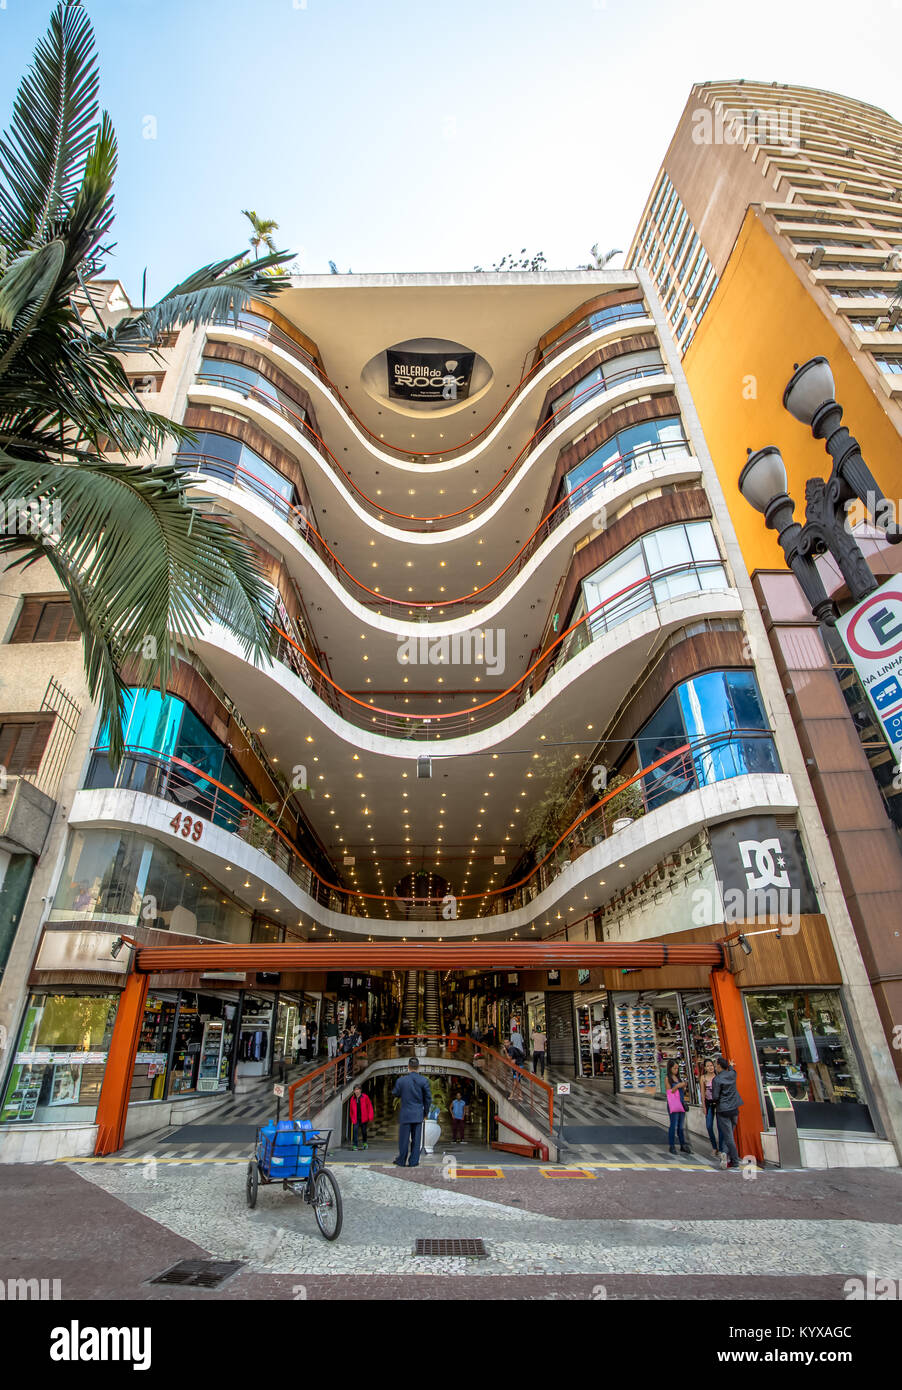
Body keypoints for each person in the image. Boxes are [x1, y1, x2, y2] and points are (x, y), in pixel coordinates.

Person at [393, 1057, 432, 1167]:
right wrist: (426, 1112)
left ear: (408, 1067)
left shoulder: (401, 1080)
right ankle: (413, 1161)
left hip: (405, 1114)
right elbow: (428, 1098)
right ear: (418, 1067)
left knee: (403, 1140)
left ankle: (401, 1160)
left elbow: (395, 1093)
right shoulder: (423, 1081)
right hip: (418, 1114)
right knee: (416, 1140)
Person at [712, 1055, 743, 1170]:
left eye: (716, 1065)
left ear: (719, 1066)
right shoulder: (732, 1075)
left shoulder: (717, 1079)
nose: (715, 1067)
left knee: (728, 1136)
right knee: (729, 1134)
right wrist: (730, 1065)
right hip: (734, 1108)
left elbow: (715, 1096)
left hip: (723, 1109)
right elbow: (732, 1070)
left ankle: (734, 1160)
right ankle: (725, 1153)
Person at [665, 1060, 692, 1155]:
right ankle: (672, 1146)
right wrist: (678, 1086)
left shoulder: (678, 1078)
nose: (676, 1070)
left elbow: (682, 1092)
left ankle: (682, 1144)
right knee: (673, 1124)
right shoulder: (668, 1078)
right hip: (673, 1104)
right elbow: (669, 1092)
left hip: (681, 1103)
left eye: (677, 1068)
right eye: (674, 1068)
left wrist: (683, 1086)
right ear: (670, 1068)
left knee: (681, 1126)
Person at [700, 1058, 720, 1159]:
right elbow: (702, 1093)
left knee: (721, 1127)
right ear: (705, 1068)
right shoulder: (703, 1078)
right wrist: (703, 1106)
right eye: (708, 1066)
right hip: (709, 1104)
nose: (710, 1067)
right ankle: (714, 1147)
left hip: (719, 1103)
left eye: (711, 1065)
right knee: (709, 1126)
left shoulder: (718, 1076)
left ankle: (721, 1149)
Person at [349, 1084, 374, 1150]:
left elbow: (369, 1107)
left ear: (360, 1090)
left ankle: (365, 1143)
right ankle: (355, 1145)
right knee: (355, 1131)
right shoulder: (352, 1099)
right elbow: (351, 1109)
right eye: (355, 1090)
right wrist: (352, 1117)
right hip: (355, 1119)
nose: (356, 1091)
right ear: (354, 1091)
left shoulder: (365, 1097)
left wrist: (370, 1116)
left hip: (364, 1118)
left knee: (364, 1131)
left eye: (358, 1089)